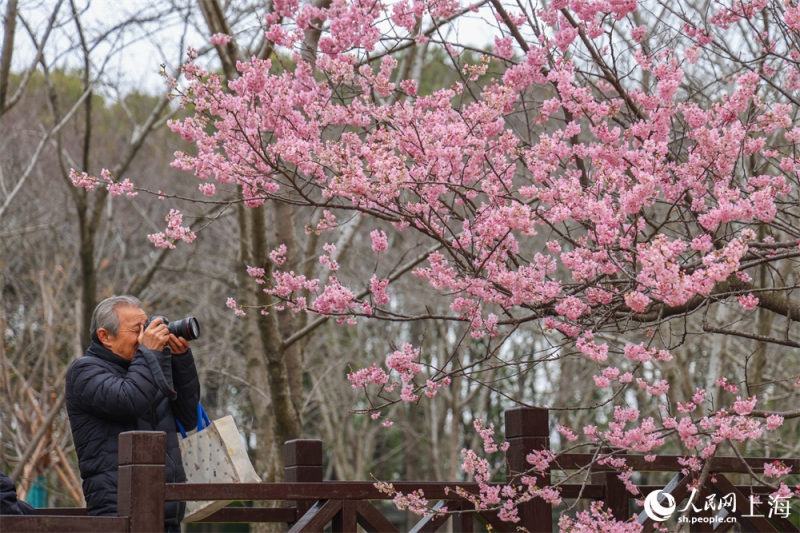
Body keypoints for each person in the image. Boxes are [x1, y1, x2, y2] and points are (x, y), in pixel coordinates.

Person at [66, 295, 200, 532]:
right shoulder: (84, 371)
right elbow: (129, 400)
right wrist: (149, 353)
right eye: (136, 329)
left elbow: (187, 419)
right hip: (118, 512)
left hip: (166, 507)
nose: (144, 335)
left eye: (145, 326)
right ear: (105, 336)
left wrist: (181, 360)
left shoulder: (146, 367)